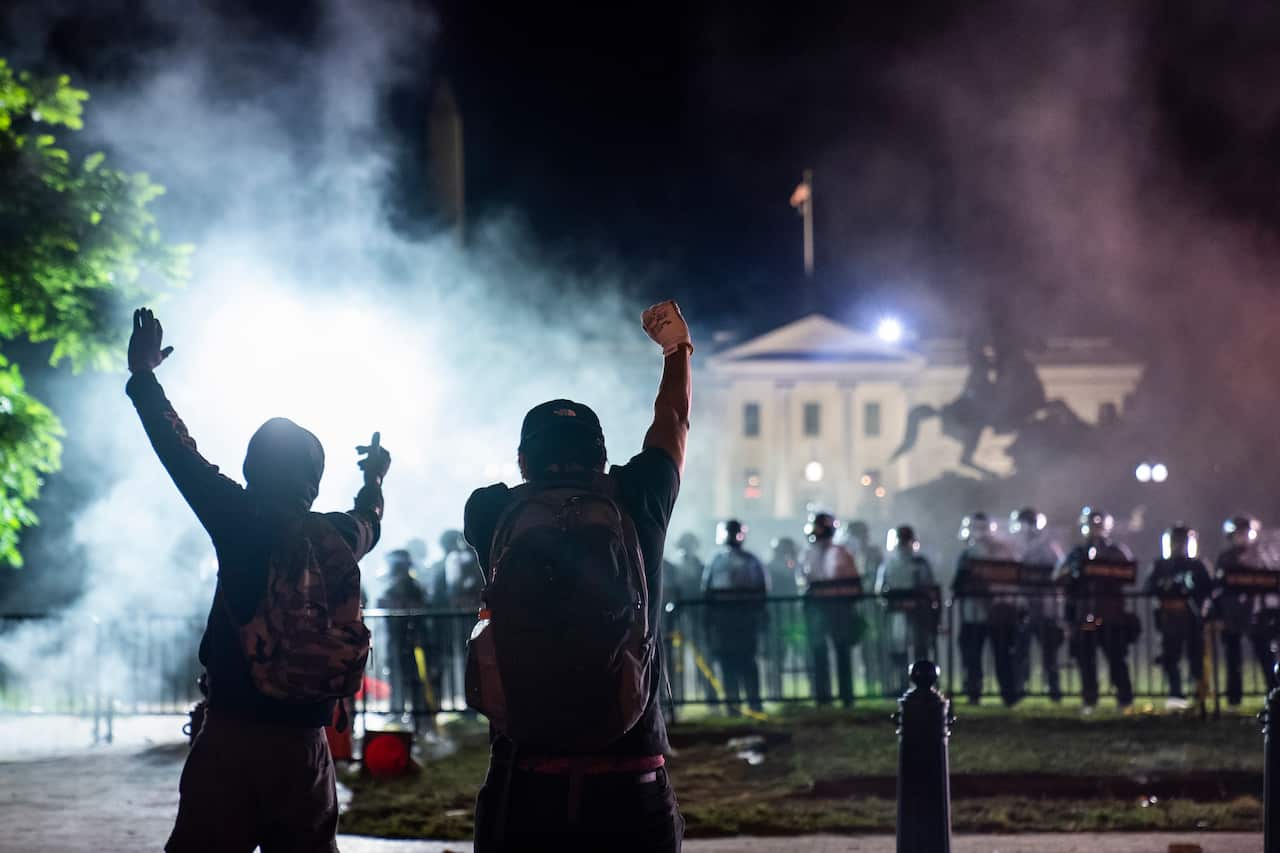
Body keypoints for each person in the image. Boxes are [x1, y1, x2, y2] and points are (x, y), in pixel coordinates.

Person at [126, 308, 389, 853]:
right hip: (306, 746)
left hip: (232, 741)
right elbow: (372, 520)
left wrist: (145, 378)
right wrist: (373, 475)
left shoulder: (238, 518)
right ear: (313, 481)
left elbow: (180, 453)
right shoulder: (339, 534)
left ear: (251, 468)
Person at [464, 300, 691, 852]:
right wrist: (677, 351)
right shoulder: (639, 497)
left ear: (523, 461)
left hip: (525, 778)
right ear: (603, 457)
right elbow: (672, 426)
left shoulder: (489, 511)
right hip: (631, 772)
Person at [1056, 507, 1136, 711]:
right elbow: (1059, 576)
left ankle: (1124, 697)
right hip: (1089, 616)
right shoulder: (1077, 553)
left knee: (1115, 655)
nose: (1095, 530)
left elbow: (1128, 573)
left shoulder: (1116, 551)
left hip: (1111, 615)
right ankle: (1090, 698)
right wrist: (1074, 574)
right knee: (1086, 655)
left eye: (1098, 526)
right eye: (1091, 525)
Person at [952, 513, 1020, 705]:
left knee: (1000, 656)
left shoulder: (1000, 553)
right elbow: (959, 585)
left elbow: (1012, 579)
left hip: (997, 614)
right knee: (979, 656)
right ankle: (984, 694)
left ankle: (1002, 695)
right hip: (977, 614)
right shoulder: (968, 555)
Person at [702, 519, 768, 715]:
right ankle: (734, 706)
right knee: (729, 663)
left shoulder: (749, 560)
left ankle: (752, 703)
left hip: (744, 619)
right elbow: (707, 591)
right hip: (725, 620)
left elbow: (761, 589)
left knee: (746, 661)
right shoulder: (717, 560)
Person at [800, 512, 863, 707]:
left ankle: (845, 696)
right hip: (819, 609)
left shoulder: (842, 553)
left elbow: (853, 583)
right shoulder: (808, 553)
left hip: (838, 608)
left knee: (841, 652)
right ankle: (823, 696)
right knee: (819, 653)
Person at [1146, 524, 1211, 709]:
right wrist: (1165, 586)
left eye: (1182, 542)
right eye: (1175, 542)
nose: (1178, 546)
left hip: (1192, 618)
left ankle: (1199, 694)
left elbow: (1209, 588)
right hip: (1170, 618)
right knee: (1170, 657)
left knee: (1196, 656)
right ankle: (1176, 694)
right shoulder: (1161, 565)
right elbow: (1148, 587)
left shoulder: (1197, 565)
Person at [1213, 515, 1275, 705]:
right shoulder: (1225, 558)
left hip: (1257, 614)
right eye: (1238, 534)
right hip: (1232, 614)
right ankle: (1234, 698)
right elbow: (1218, 586)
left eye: (1245, 533)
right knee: (1233, 659)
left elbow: (1270, 579)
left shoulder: (1261, 556)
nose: (1242, 537)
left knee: (1265, 656)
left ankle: (1274, 696)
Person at [1008, 508, 1065, 701]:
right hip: (1023, 608)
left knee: (1049, 653)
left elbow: (1059, 574)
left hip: (1045, 608)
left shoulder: (1048, 548)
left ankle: (1053, 689)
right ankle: (1019, 688)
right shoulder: (1014, 547)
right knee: (1020, 652)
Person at [874, 525, 938, 695]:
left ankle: (923, 684)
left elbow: (928, 587)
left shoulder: (919, 563)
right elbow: (881, 589)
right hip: (897, 613)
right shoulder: (889, 564)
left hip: (917, 612)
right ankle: (902, 683)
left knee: (919, 649)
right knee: (899, 650)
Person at [377, 549, 431, 727]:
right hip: (397, 640)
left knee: (412, 678)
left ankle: (418, 717)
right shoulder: (394, 587)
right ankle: (399, 711)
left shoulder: (412, 587)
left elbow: (421, 610)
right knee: (397, 676)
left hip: (411, 641)